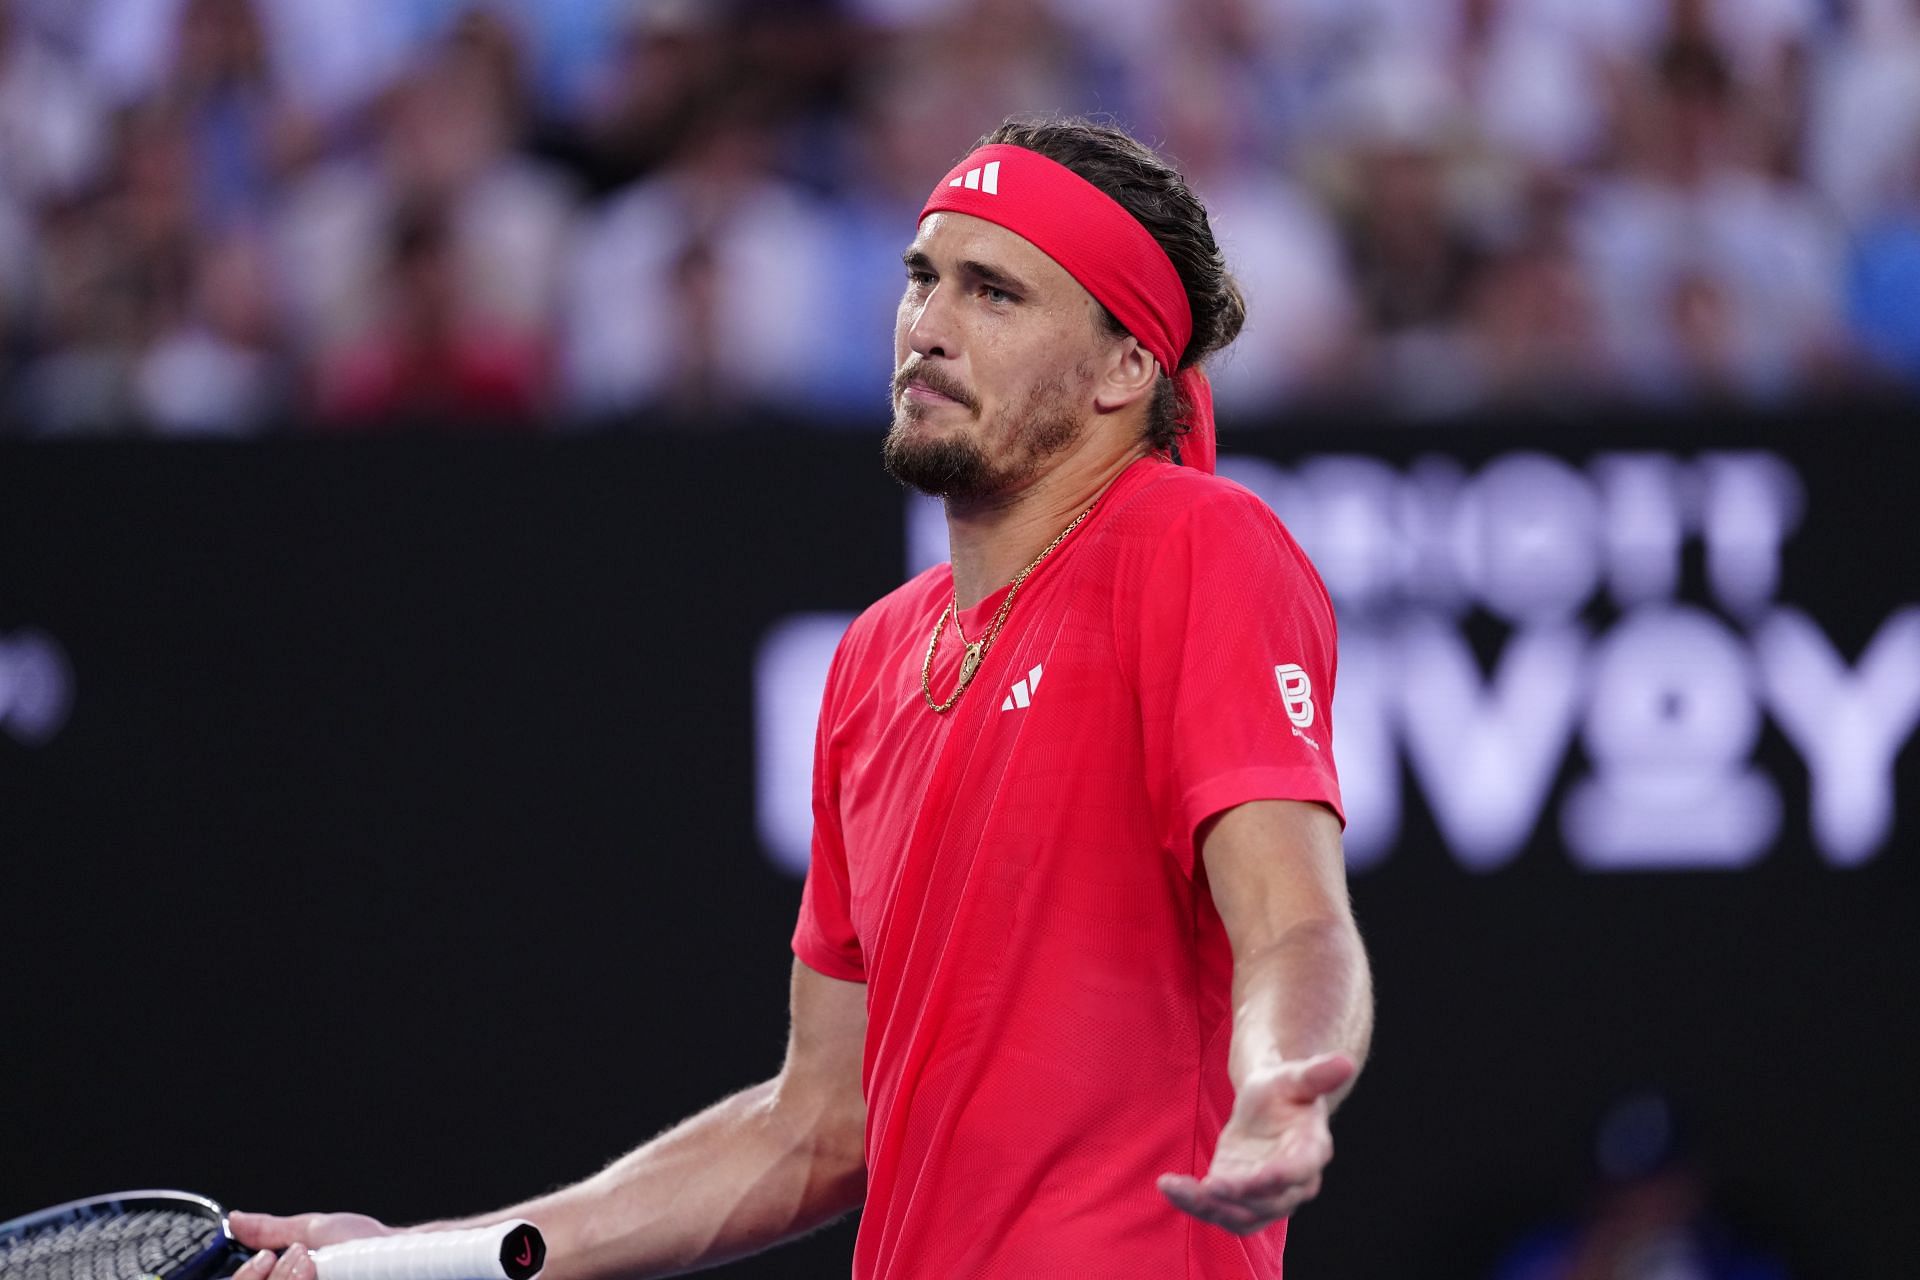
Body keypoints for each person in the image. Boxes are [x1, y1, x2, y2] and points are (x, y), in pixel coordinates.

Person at [229, 115, 1374, 1279]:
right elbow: (815, 1126)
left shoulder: (1197, 543)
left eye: (995, 294)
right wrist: (409, 1264)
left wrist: (1283, 1078)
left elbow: (1295, 921)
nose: (927, 327)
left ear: (1127, 367)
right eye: (923, 278)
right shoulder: (874, 659)